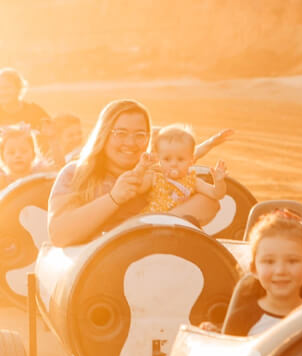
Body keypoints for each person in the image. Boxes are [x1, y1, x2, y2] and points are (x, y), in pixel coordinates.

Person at [47, 99, 228, 247]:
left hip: (156, 260)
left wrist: (142, 226)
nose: (131, 143)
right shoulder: (75, 173)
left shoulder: (159, 172)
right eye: (121, 133)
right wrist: (114, 199)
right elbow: (59, 235)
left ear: (149, 139)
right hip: (99, 272)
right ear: (104, 134)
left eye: (140, 135)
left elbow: (209, 204)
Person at [221, 210, 302, 336]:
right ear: (254, 269)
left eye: (292, 261)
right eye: (269, 261)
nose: (280, 271)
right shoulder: (241, 320)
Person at [142, 124, 227, 220]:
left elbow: (216, 194)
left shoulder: (192, 181)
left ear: (191, 161)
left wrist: (219, 181)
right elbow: (137, 187)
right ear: (159, 159)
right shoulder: (155, 177)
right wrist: (142, 168)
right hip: (152, 222)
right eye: (167, 159)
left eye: (180, 159)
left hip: (179, 227)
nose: (174, 164)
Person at [0, 67, 49, 138]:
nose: (3, 92)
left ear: (18, 88)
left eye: (7, 88)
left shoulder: (34, 111)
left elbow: (51, 134)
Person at [0, 123, 57, 190]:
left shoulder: (39, 175)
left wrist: (53, 140)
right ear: (3, 157)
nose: (18, 155)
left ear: (33, 155)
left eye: (24, 151)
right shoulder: (4, 181)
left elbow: (58, 168)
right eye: (11, 153)